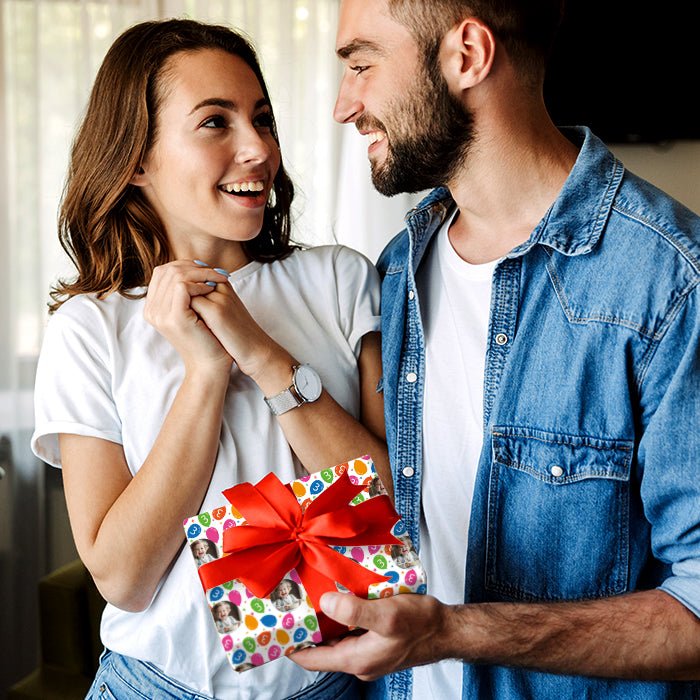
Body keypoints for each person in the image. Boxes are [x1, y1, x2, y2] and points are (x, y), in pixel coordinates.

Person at [293, 1, 700, 698]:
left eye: (362, 64)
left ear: (468, 56)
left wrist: (452, 632)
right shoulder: (398, 270)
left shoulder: (670, 282)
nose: (344, 105)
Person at [31, 18, 391, 700]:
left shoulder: (342, 282)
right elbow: (123, 579)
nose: (258, 149)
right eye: (215, 123)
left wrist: (261, 355)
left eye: (261, 119)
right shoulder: (90, 328)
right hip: (153, 686)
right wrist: (204, 373)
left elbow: (393, 506)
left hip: (335, 687)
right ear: (135, 159)